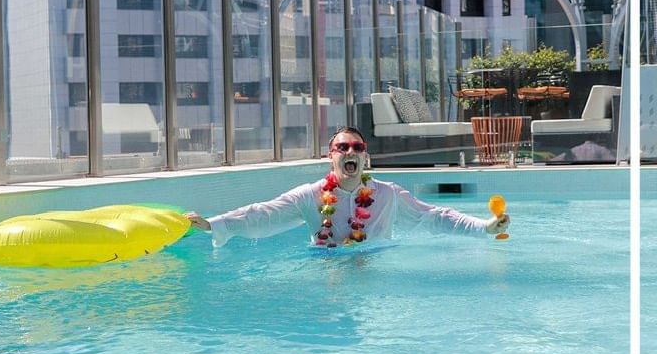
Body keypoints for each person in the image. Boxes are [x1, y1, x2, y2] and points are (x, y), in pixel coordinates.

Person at [187, 126, 511, 248]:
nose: (350, 152)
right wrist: (214, 223)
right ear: (331, 157)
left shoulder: (387, 194)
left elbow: (436, 216)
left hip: (376, 265)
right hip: (326, 267)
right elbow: (263, 213)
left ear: (366, 157)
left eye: (357, 147)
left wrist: (485, 227)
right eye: (343, 148)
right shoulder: (310, 196)